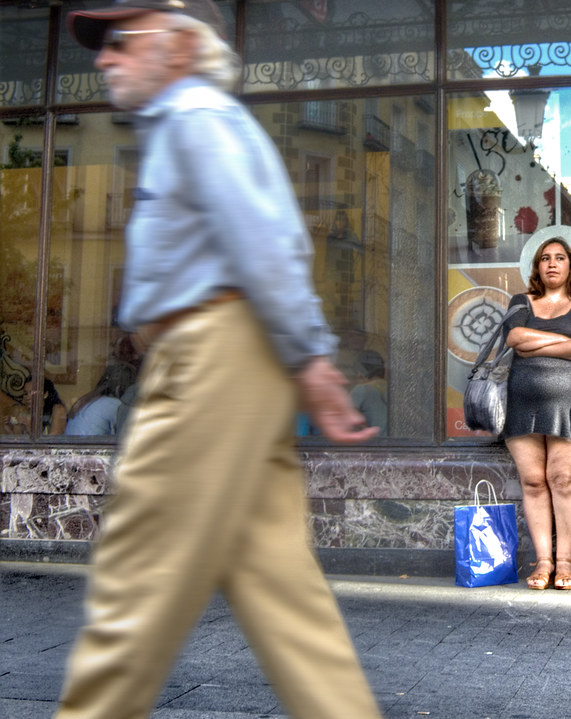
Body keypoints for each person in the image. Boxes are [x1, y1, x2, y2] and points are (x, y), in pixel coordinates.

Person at [59, 2, 382, 717]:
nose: (103, 59)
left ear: (175, 49)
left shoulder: (193, 117)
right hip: (237, 358)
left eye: (117, 41)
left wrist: (311, 358)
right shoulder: (195, 121)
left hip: (212, 356)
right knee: (280, 590)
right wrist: (300, 358)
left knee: (135, 577)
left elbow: (262, 240)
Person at [503, 237, 571, 590]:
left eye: (560, 258)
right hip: (522, 404)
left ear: (570, 266)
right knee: (533, 482)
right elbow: (514, 337)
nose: (551, 264)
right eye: (544, 258)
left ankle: (565, 562)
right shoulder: (521, 302)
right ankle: (543, 561)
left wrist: (539, 345)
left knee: (563, 480)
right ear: (536, 267)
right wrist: (567, 347)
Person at [65, 363, 136, 436]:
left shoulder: (89, 400)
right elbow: (128, 436)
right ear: (120, 388)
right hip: (91, 446)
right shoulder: (114, 405)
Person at [350, 349, 387, 436]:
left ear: (360, 372)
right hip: (394, 442)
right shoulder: (393, 389)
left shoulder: (361, 389)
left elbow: (348, 418)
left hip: (375, 444)